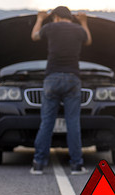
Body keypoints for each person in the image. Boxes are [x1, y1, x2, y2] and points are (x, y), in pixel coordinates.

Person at [30, 6, 92, 175]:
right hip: (73, 78)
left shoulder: (50, 27)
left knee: (47, 122)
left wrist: (41, 19)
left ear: (56, 17)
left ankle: (38, 164)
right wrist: (84, 21)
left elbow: (34, 36)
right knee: (73, 122)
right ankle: (76, 165)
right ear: (70, 17)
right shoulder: (78, 29)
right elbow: (88, 40)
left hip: (52, 78)